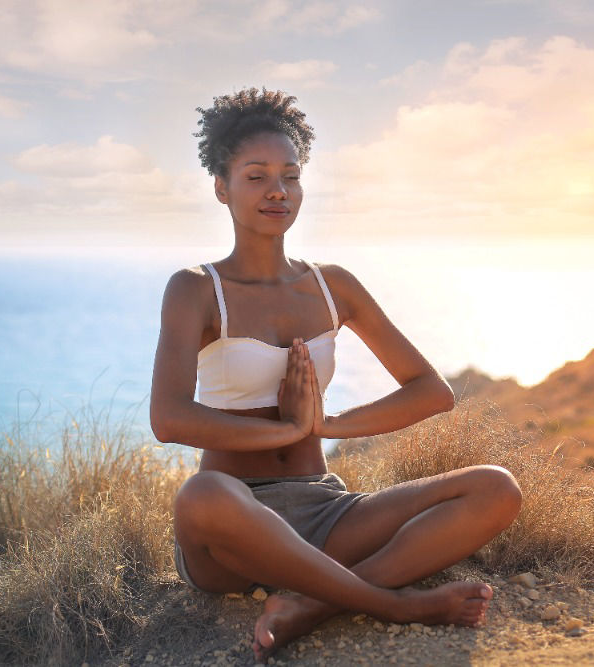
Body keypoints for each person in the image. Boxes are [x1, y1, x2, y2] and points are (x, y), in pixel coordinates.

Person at [149, 88, 522, 662]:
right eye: (256, 176)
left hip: (326, 514)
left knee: (496, 488)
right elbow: (169, 418)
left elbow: (432, 392)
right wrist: (286, 430)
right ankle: (392, 603)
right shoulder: (196, 289)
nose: (278, 190)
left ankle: (311, 604)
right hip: (233, 529)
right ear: (221, 188)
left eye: (290, 176)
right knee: (201, 494)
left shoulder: (332, 285)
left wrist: (328, 427)